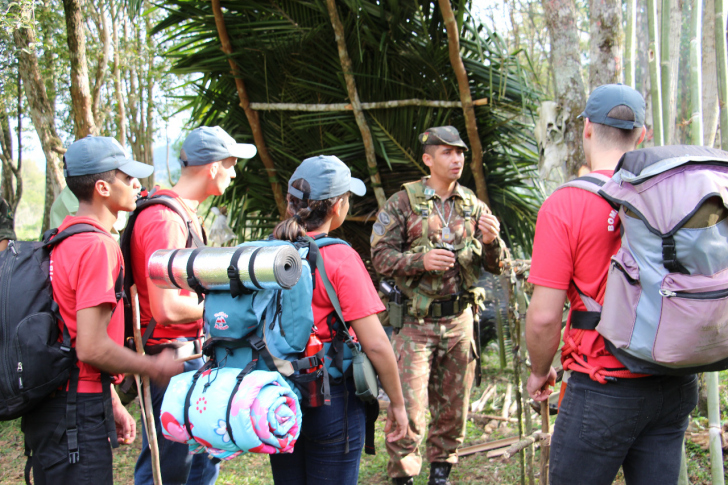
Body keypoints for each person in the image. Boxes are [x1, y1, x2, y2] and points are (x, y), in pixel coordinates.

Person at [526, 84, 698, 484]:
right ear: (643, 134)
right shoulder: (675, 194)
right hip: (673, 382)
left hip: (604, 385)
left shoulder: (566, 204)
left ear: (587, 128)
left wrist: (539, 371)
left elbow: (545, 317)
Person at [22, 135, 182, 485]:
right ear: (102, 188)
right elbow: (90, 346)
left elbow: (72, 334)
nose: (137, 184)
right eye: (127, 177)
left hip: (54, 411)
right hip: (75, 418)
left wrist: (111, 399)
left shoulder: (61, 238)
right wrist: (153, 366)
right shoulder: (98, 246)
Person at [371, 126, 503, 485]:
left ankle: (441, 472)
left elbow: (498, 264)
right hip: (415, 322)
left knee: (453, 407)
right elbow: (379, 256)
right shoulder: (403, 202)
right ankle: (404, 475)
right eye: (447, 152)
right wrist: (421, 262)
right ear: (428, 159)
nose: (457, 158)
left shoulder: (472, 205)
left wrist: (491, 243)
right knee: (410, 409)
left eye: (460, 152)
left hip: (459, 321)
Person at [268, 155, 408, 484]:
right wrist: (398, 404)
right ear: (337, 206)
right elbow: (375, 343)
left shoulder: (271, 253)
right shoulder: (340, 256)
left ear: (292, 204)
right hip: (331, 400)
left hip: (279, 398)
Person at [131, 126, 255, 485]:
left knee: (201, 463)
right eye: (231, 165)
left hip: (190, 356)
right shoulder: (165, 219)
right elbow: (166, 307)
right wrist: (223, 310)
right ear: (213, 166)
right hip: (172, 359)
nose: (234, 173)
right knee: (169, 469)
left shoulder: (183, 213)